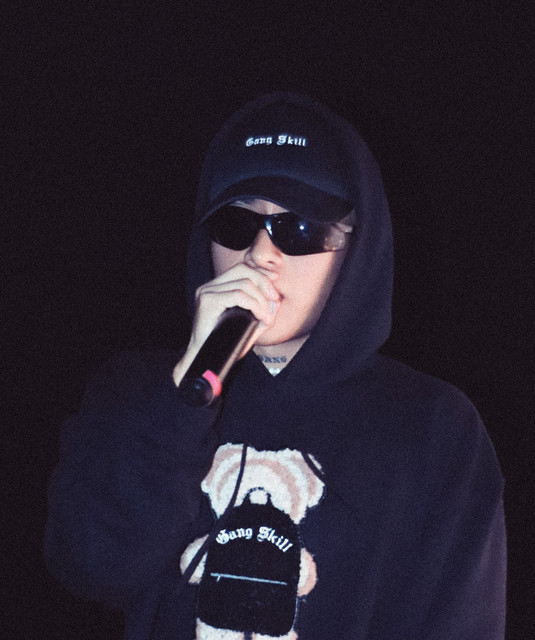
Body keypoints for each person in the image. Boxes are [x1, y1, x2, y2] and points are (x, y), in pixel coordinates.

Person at [45, 92, 506, 640]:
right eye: (236, 225)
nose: (261, 255)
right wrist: (183, 401)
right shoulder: (137, 390)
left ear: (356, 246)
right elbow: (90, 568)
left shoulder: (434, 427)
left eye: (299, 228)